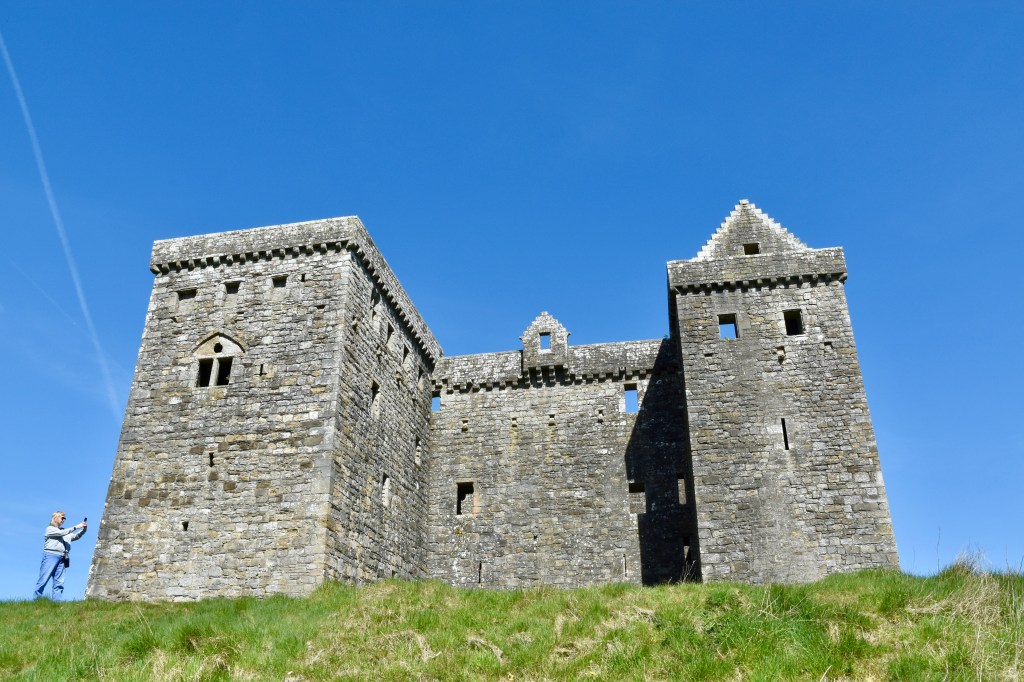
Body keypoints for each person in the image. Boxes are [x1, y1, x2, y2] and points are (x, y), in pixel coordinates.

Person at [33, 511, 87, 601]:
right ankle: (36, 601)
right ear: (55, 518)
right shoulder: (50, 529)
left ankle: (56, 603)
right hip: (51, 555)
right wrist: (77, 526)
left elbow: (76, 536)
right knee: (43, 580)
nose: (64, 520)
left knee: (59, 583)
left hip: (63, 557)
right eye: (62, 517)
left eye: (64, 518)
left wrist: (83, 530)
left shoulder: (65, 531)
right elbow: (61, 533)